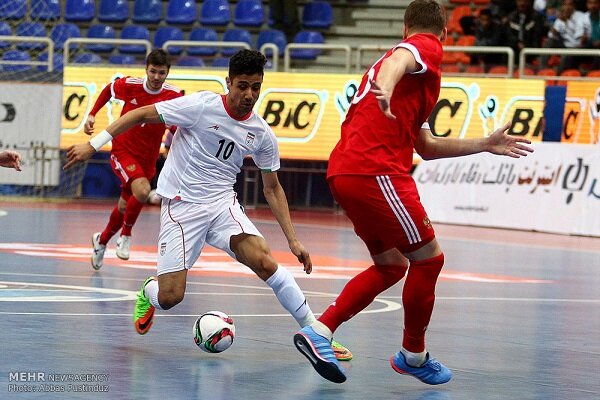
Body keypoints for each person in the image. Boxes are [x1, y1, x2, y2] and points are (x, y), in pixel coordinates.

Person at [292, 0, 534, 385]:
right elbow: (399, 60)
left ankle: (320, 332)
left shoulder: (416, 82)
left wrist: (485, 143)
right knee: (428, 260)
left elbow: (426, 146)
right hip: (377, 171)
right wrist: (384, 88)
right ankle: (413, 355)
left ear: (403, 26)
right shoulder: (424, 47)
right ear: (441, 33)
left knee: (391, 266)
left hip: (345, 172)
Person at [64, 49, 353, 361]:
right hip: (181, 207)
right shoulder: (201, 106)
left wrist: (294, 240)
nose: (249, 94)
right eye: (242, 86)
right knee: (171, 296)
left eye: (256, 87)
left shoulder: (261, 134)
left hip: (221, 206)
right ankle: (149, 291)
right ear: (228, 82)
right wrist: (92, 145)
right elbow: (139, 115)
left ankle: (317, 332)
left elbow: (272, 188)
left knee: (266, 262)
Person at [83, 49, 183, 270]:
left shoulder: (174, 95)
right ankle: (126, 236)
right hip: (123, 150)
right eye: (153, 71)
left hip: (148, 156)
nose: (157, 77)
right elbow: (108, 90)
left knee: (124, 205)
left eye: (162, 73)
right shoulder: (131, 85)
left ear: (168, 73)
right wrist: (92, 114)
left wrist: (177, 132)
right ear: (146, 69)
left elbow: (178, 121)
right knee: (143, 190)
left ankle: (101, 241)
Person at [541, 0, 588, 72]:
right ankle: (542, 69)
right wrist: (554, 29)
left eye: (570, 5)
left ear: (574, 6)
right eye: (565, 5)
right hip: (564, 45)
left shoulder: (580, 16)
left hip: (576, 47)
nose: (567, 7)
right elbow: (551, 35)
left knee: (566, 55)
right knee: (549, 41)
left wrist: (566, 22)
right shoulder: (561, 17)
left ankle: (558, 75)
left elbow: (578, 40)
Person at [506, 0, 547, 65]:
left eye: (524, 1)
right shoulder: (511, 16)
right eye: (519, 1)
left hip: (531, 52)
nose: (522, 3)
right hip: (514, 51)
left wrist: (526, 46)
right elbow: (509, 35)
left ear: (529, 2)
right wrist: (518, 42)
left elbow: (536, 37)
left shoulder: (536, 16)